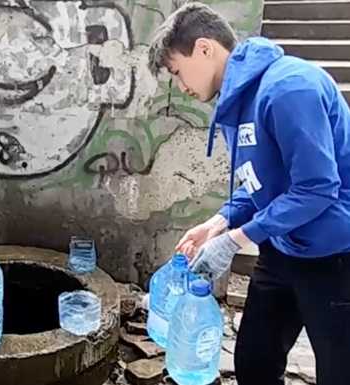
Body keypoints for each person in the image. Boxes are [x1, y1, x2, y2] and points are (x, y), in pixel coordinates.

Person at [149, 3, 350, 385]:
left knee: (339, 371)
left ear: (204, 48)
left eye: (177, 72)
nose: (181, 88)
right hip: (281, 248)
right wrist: (219, 221)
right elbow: (261, 184)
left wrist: (235, 240)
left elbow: (317, 188)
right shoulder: (235, 103)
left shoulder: (290, 88)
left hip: (335, 255)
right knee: (254, 362)